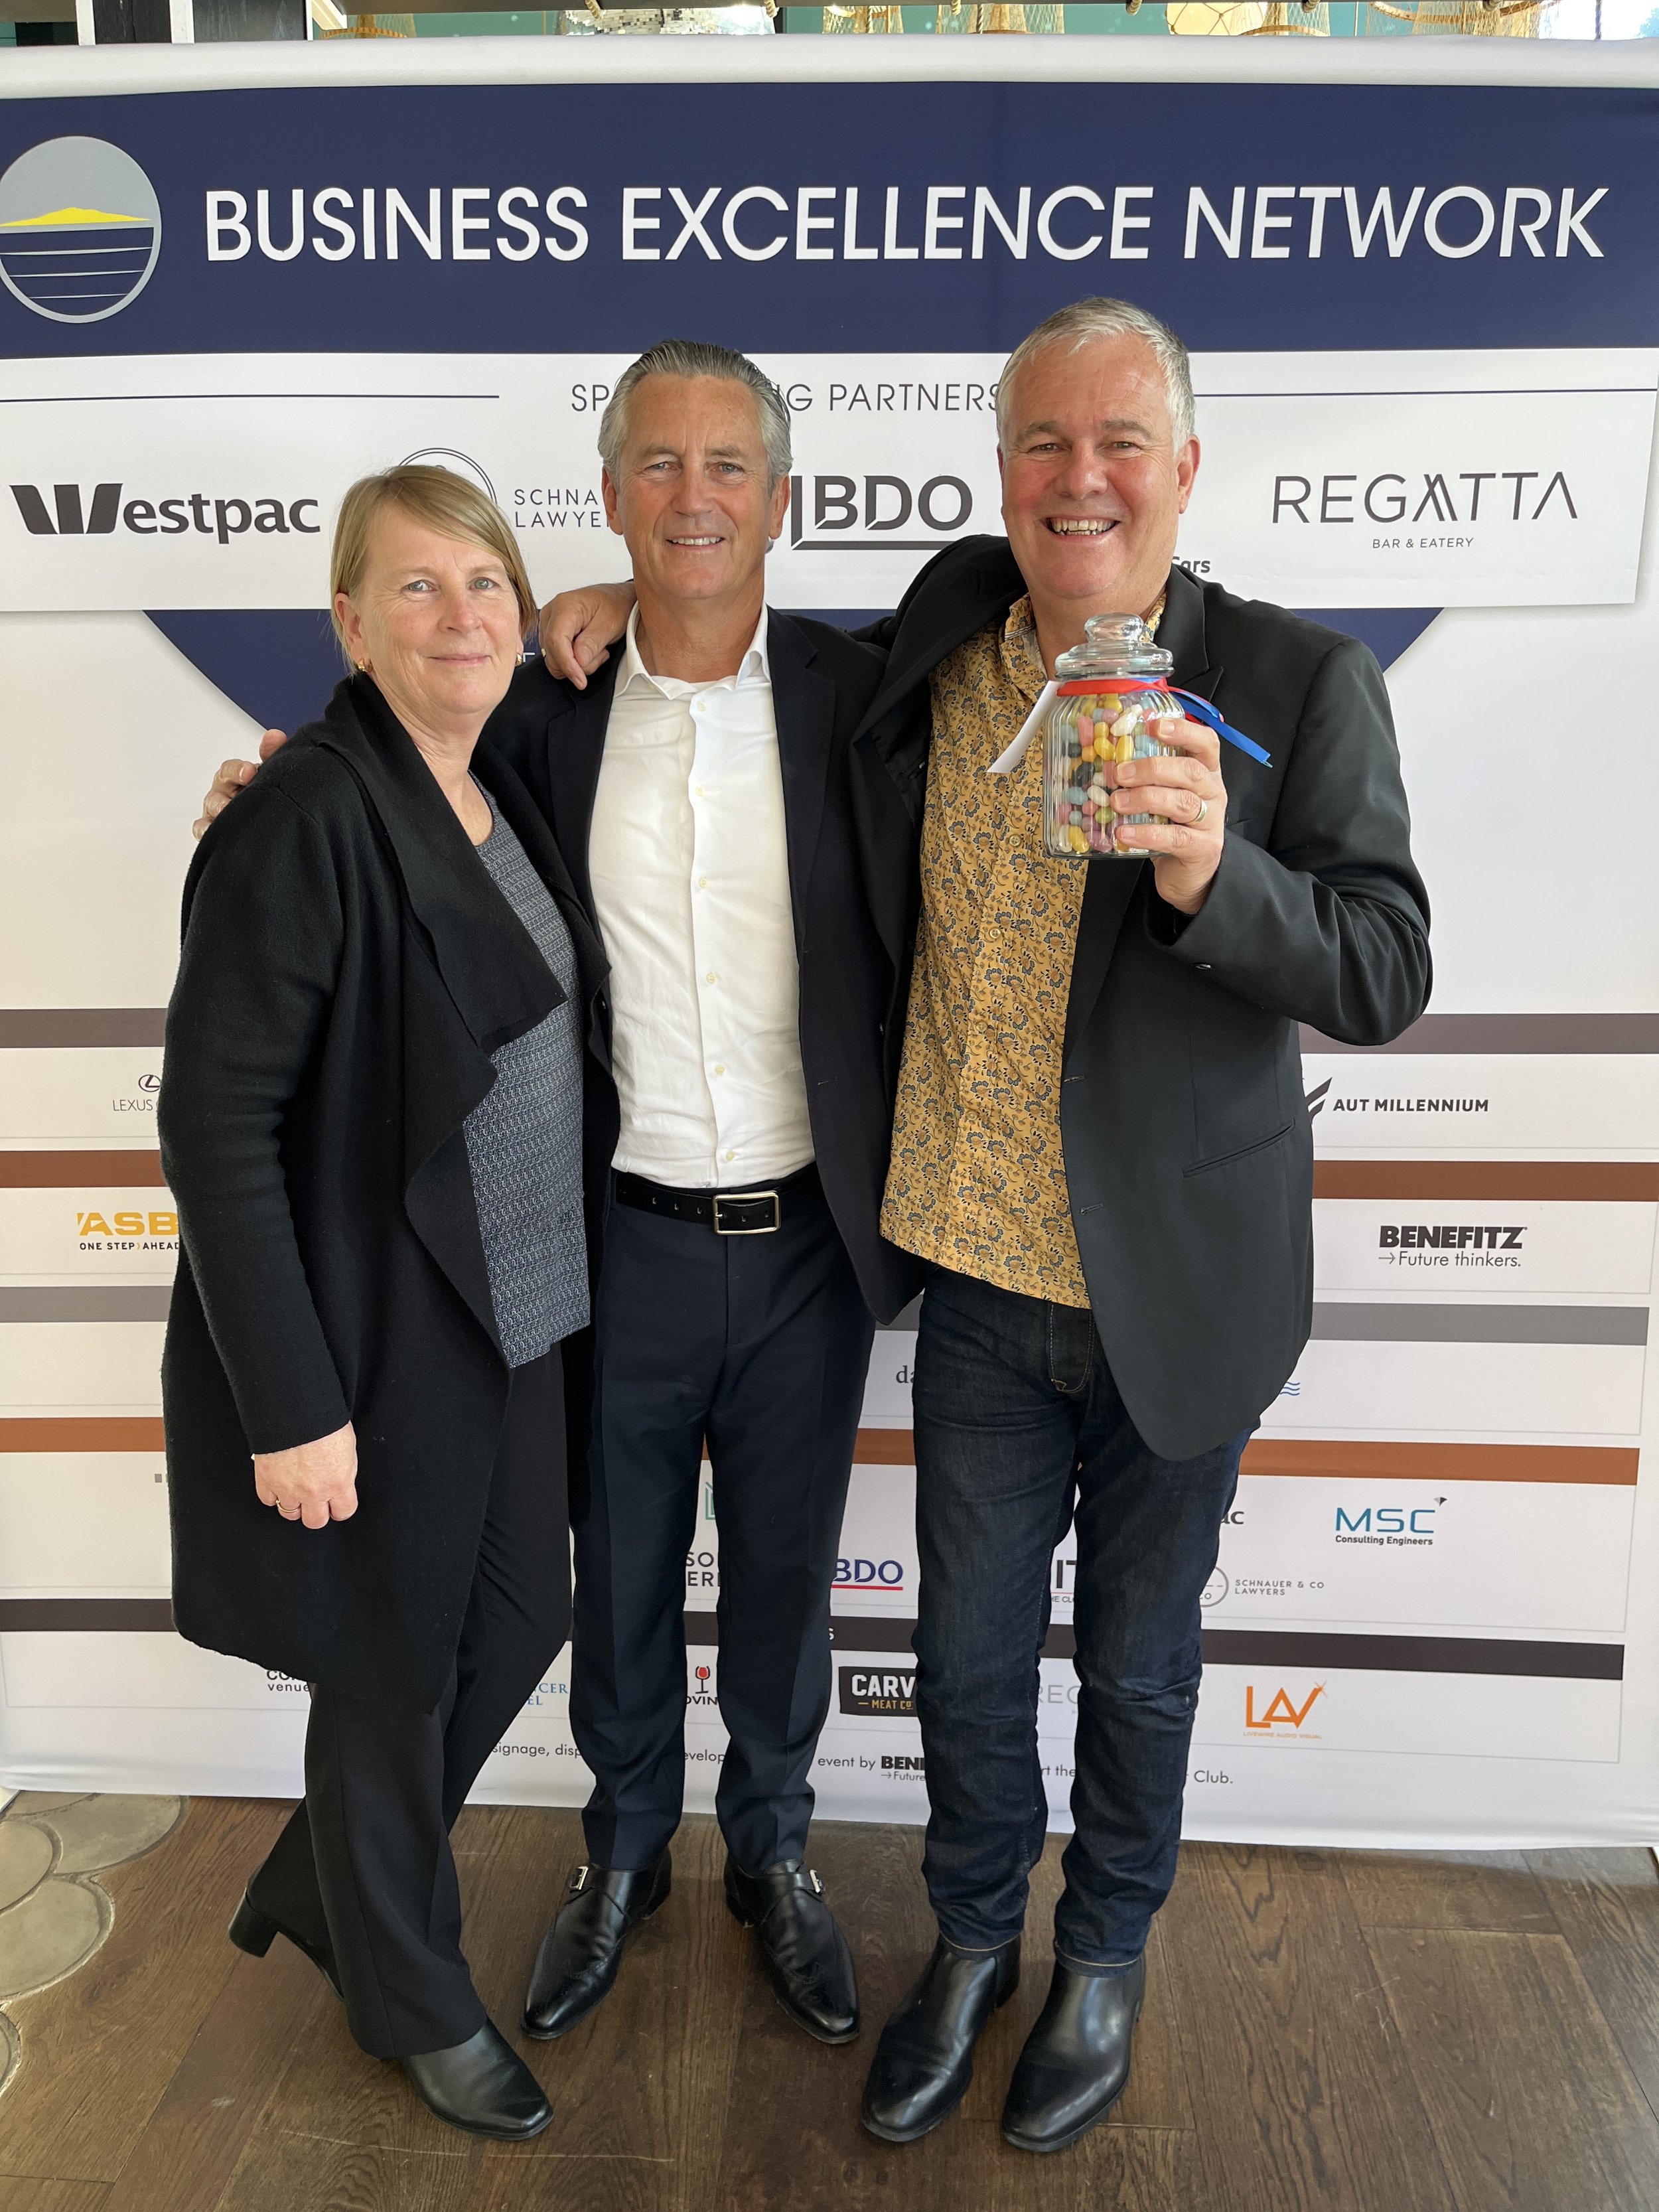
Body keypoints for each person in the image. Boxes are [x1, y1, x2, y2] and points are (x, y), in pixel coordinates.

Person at [539, 297, 1431, 2155]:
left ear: (1183, 466)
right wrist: (623, 600)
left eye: (1119, 443)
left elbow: (1382, 964)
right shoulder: (944, 639)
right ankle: (965, 1944)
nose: (1079, 476)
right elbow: (725, 642)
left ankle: (1098, 1954)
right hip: (972, 1279)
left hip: (1177, 1294)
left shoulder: (1295, 679)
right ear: (1001, 470)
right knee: (958, 1666)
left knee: (1141, 1662)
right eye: (1042, 442)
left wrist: (1215, 871)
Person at [194, 343, 918, 2052]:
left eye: (727, 467)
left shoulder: (865, 695)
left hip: (808, 1244)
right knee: (611, 1587)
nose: (692, 497)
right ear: (606, 496)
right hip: (613, 1245)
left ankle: (772, 1850)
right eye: (656, 466)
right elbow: (386, 791)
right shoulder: (537, 710)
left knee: (786, 1588)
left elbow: (1000, 600)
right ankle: (620, 1852)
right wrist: (256, 803)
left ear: (782, 500)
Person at [163, 465, 605, 2141]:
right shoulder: (306, 811)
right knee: (390, 1663)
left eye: (485, 582)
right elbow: (214, 1121)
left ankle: (332, 1880)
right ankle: (408, 1995)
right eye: (416, 587)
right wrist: (288, 1401)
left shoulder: (491, 786)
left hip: (520, 1309)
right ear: (350, 623)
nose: (461, 617)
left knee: (516, 1614)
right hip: (381, 1330)